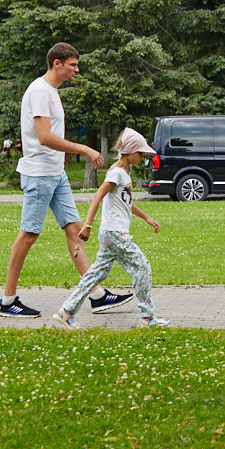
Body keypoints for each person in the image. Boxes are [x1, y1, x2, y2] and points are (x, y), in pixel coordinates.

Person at [0, 43, 133, 318]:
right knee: (28, 234)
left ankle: (96, 295)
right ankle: (7, 300)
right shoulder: (39, 91)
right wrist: (83, 149)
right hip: (38, 173)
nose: (77, 69)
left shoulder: (52, 92)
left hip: (54, 173)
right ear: (57, 63)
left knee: (74, 229)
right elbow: (44, 137)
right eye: (73, 64)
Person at [53, 128, 168, 329]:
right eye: (140, 153)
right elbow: (98, 196)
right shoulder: (116, 173)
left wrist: (147, 218)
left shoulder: (123, 173)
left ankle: (66, 311)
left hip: (109, 234)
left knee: (95, 274)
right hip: (115, 234)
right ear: (130, 152)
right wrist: (87, 225)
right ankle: (147, 318)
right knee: (142, 267)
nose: (141, 157)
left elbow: (126, 203)